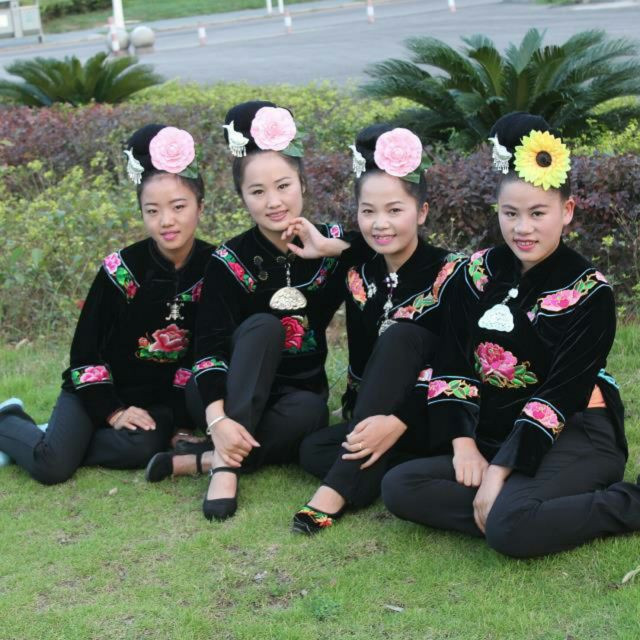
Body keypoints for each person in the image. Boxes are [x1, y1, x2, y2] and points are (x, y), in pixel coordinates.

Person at [381, 112, 640, 557]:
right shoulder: (476, 272)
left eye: (538, 213)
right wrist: (464, 447)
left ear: (567, 211)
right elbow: (453, 361)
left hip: (577, 432)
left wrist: (498, 472)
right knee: (401, 484)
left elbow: (560, 394)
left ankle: (623, 503)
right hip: (495, 430)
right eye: (510, 214)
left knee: (510, 531)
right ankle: (517, 509)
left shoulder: (589, 292)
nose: (523, 228)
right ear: (497, 211)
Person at [145, 101, 365, 522]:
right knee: (264, 327)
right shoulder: (228, 260)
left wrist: (327, 248)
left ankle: (202, 459)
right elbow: (208, 352)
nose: (274, 202)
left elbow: (389, 251)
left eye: (283, 186)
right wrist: (218, 421)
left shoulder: (332, 244)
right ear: (242, 197)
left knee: (312, 414)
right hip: (223, 393)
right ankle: (224, 467)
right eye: (258, 192)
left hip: (292, 400)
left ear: (302, 183)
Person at [0, 124, 212, 484]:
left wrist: (179, 422)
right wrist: (113, 412)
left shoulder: (215, 267)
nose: (167, 221)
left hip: (156, 402)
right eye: (152, 211)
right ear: (142, 213)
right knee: (52, 466)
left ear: (200, 207)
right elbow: (85, 353)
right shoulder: (121, 269)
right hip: (98, 392)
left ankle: (59, 438)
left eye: (179, 207)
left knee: (143, 448)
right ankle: (10, 421)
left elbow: (203, 351)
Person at [291, 124, 466, 534]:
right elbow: (353, 246)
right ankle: (386, 468)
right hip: (369, 416)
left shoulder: (452, 273)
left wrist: (398, 421)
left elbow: (457, 363)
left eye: (395, 211)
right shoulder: (358, 268)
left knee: (402, 334)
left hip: (429, 413)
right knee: (312, 449)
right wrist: (327, 246)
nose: (380, 224)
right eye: (368, 211)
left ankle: (336, 490)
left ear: (422, 212)